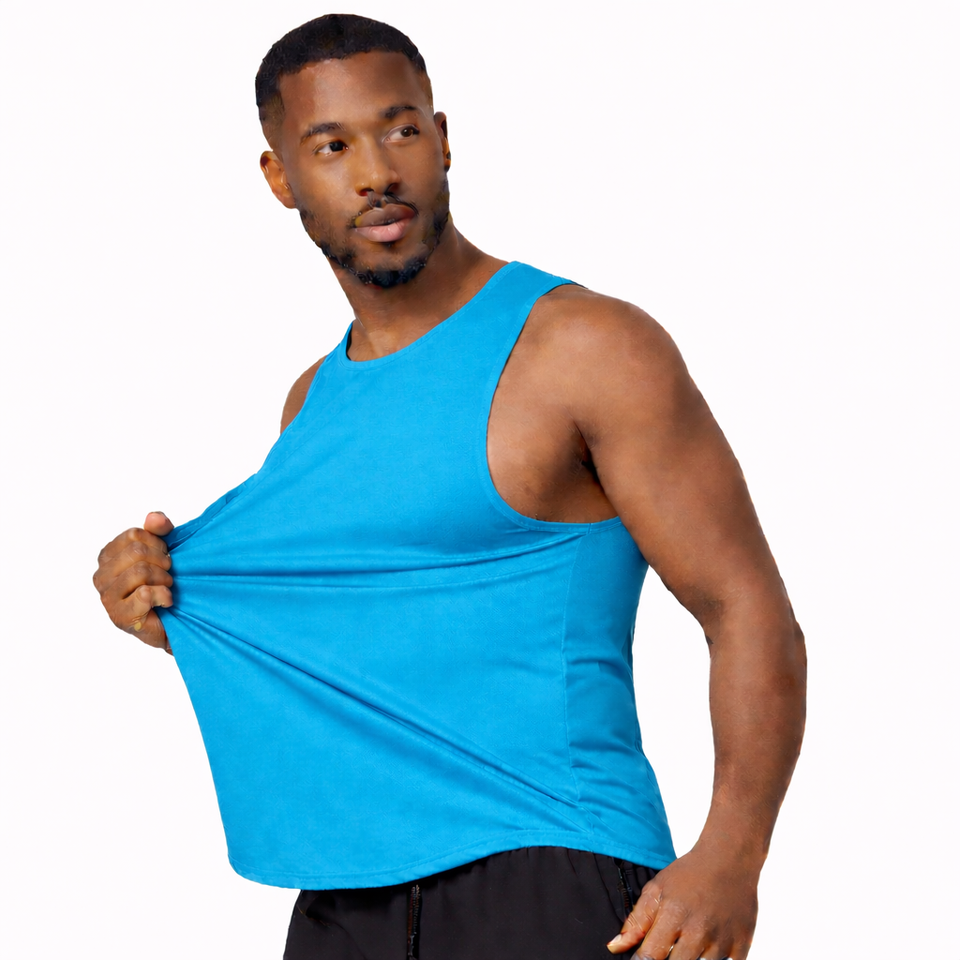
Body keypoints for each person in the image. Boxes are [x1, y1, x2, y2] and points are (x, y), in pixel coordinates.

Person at [92, 14, 806, 960]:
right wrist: (163, 599)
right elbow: (356, 646)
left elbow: (745, 606)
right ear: (280, 178)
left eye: (399, 131)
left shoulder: (587, 346)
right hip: (343, 903)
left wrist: (731, 859)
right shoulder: (310, 405)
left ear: (441, 138)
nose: (376, 173)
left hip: (553, 872)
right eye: (332, 146)